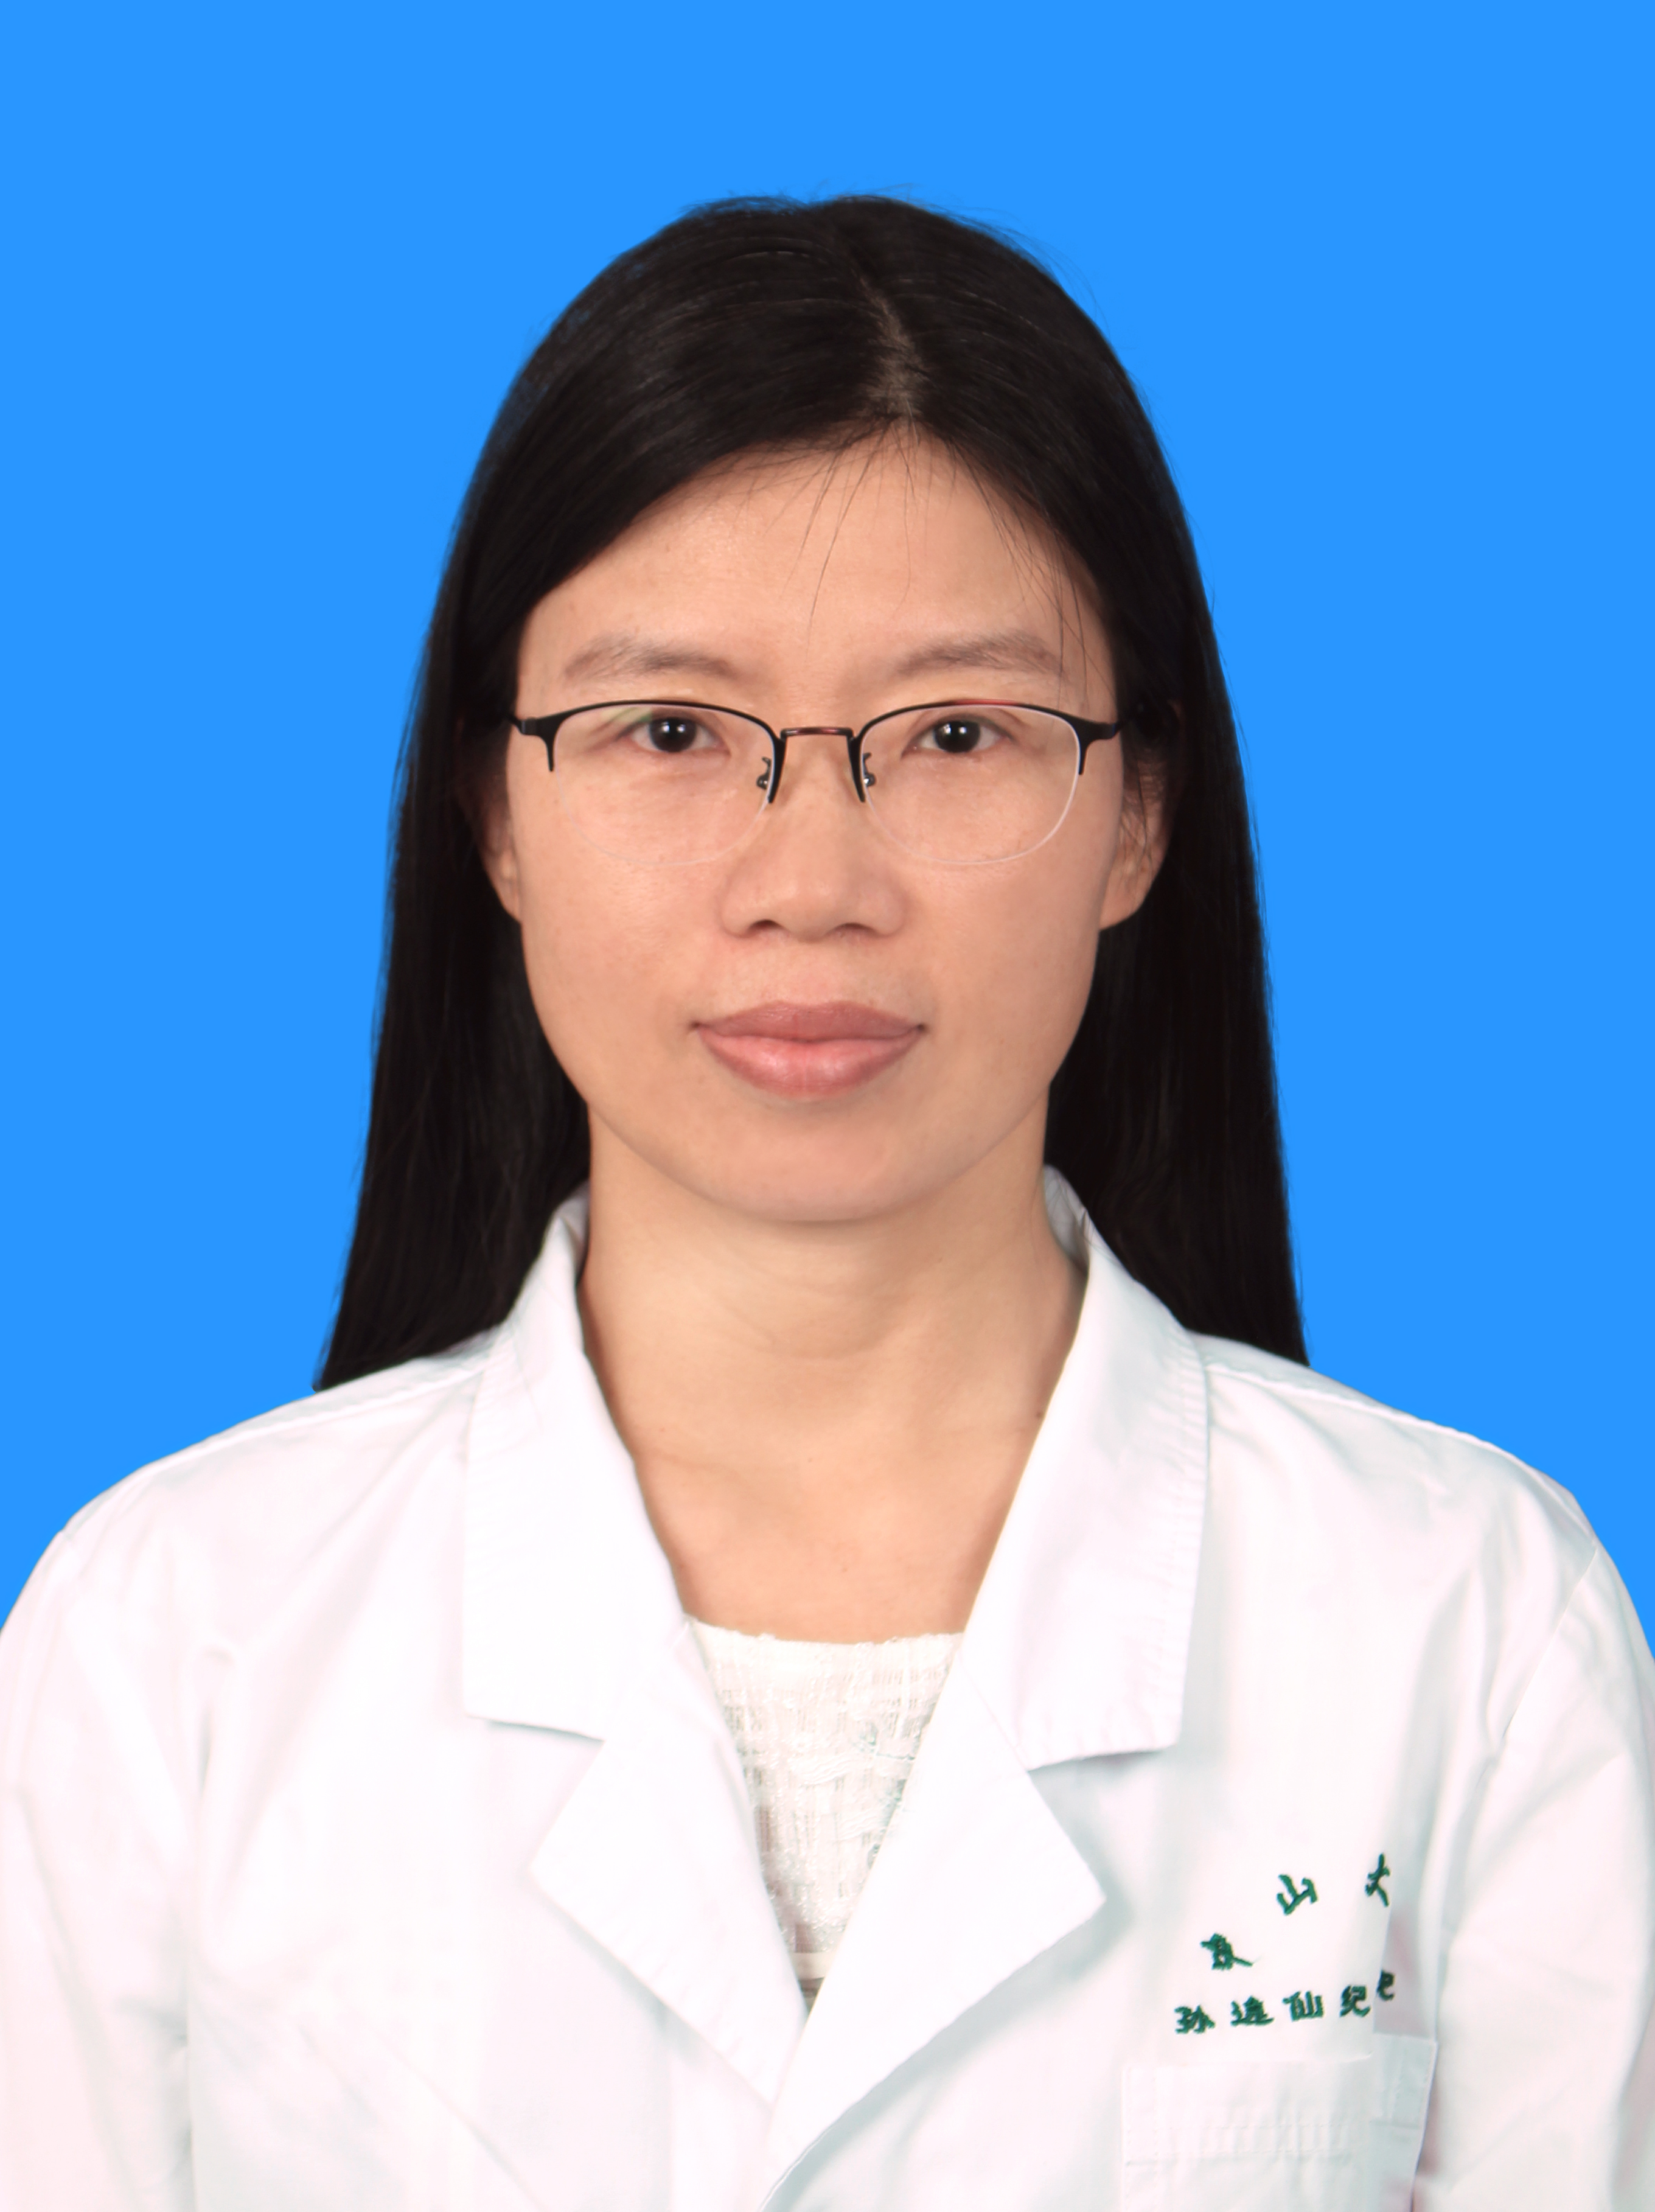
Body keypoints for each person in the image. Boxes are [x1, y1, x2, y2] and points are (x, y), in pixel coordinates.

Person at [1, 196, 1650, 2211]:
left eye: (957, 734)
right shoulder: (174, 1641)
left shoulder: (1466, 1627)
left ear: (1140, 812)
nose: (811, 882)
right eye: (670, 732)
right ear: (491, 810)